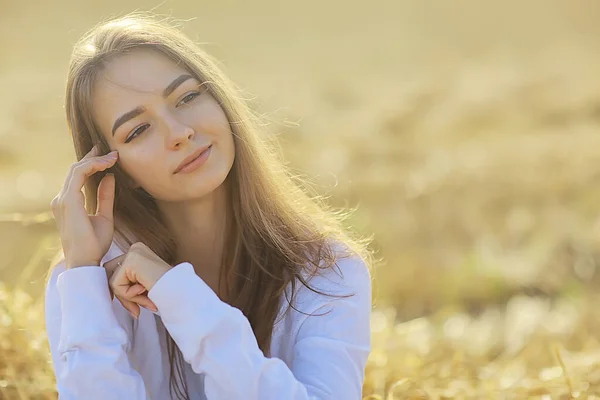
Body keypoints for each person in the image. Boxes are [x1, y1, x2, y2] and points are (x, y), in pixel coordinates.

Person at [44, 11, 373, 400]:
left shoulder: (328, 272)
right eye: (137, 130)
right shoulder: (91, 280)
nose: (181, 133)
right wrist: (82, 273)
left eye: (187, 97)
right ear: (114, 167)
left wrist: (179, 295)